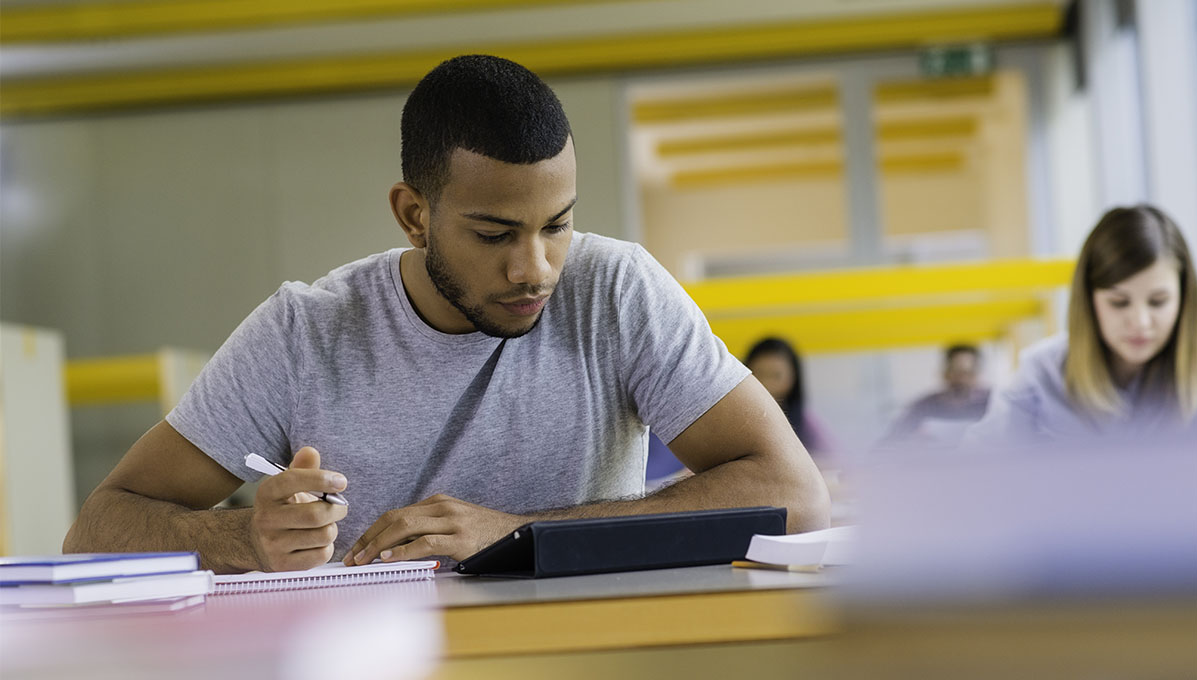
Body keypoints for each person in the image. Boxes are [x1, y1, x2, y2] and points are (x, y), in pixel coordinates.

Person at [63, 55, 830, 573]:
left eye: (556, 225)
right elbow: (97, 530)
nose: (535, 269)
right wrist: (247, 536)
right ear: (413, 215)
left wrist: (518, 535)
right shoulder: (304, 332)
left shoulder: (617, 289)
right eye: (495, 234)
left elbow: (795, 497)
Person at [966, 205, 1197, 446]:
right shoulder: (1040, 377)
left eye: (1158, 302)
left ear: (1184, 298)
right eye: (1119, 303)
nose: (1140, 322)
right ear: (1088, 299)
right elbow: (977, 468)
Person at [647, 337, 831, 484]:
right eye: (759, 373)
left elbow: (833, 456)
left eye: (776, 375)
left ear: (793, 379)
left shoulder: (804, 420)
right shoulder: (729, 416)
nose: (767, 384)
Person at [882, 344, 991, 444]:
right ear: (945, 373)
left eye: (968, 372)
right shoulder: (923, 407)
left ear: (978, 374)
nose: (962, 378)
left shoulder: (992, 405)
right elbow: (891, 441)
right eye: (956, 371)